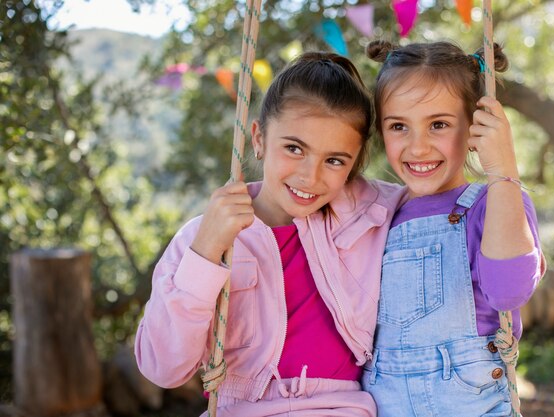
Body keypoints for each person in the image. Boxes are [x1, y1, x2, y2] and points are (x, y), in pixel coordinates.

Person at [135, 51, 406, 417]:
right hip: (238, 407)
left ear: (354, 166)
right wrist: (206, 252)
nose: (310, 177)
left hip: (338, 407)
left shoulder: (369, 212)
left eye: (335, 160)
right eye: (294, 148)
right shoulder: (201, 239)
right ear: (259, 138)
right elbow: (163, 368)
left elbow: (441, 200)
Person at [361, 40, 546, 417]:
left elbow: (509, 292)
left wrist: (503, 171)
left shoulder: (494, 202)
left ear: (474, 127)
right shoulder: (377, 212)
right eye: (399, 126)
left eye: (439, 124)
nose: (418, 146)